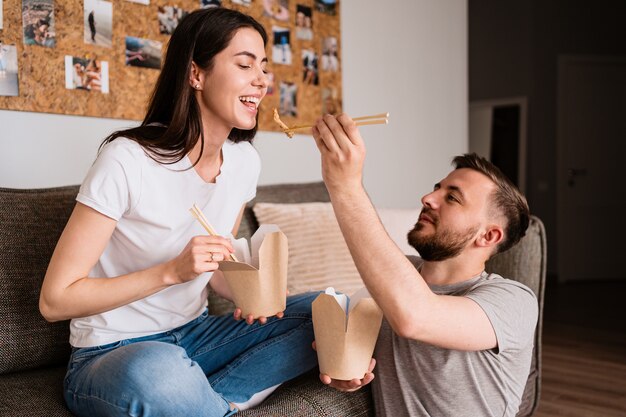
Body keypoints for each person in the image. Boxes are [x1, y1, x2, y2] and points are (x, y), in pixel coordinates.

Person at [40, 8, 318, 417]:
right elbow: (55, 300)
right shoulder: (127, 160)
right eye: (244, 64)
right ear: (196, 74)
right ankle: (200, 399)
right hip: (115, 352)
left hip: (197, 335)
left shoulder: (243, 162)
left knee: (327, 312)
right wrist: (170, 272)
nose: (262, 80)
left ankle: (207, 403)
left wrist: (255, 291)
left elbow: (215, 269)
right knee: (161, 375)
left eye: (263, 67)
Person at [311, 114, 539, 417]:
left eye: (452, 198)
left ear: (489, 236)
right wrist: (348, 371)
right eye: (437, 188)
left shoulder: (513, 302)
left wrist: (345, 186)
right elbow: (361, 345)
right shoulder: (393, 282)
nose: (428, 198)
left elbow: (415, 316)